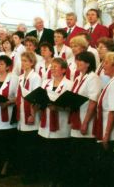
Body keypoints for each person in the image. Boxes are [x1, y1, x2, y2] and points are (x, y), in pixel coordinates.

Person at [67, 51, 102, 187]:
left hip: (85, 122)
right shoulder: (78, 78)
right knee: (76, 156)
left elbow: (93, 102)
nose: (77, 63)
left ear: (88, 63)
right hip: (76, 119)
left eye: (80, 60)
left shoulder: (93, 78)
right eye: (77, 60)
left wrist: (85, 122)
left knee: (84, 157)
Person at [94, 52, 114, 187]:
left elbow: (113, 111)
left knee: (106, 167)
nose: (103, 67)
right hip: (106, 130)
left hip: (110, 133)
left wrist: (106, 135)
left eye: (106, 63)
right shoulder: (113, 81)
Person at [38, 58, 73, 186]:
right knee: (48, 155)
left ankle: (59, 180)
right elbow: (40, 99)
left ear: (64, 70)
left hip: (61, 125)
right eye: (51, 67)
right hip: (46, 123)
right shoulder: (45, 83)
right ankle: (50, 179)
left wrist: (58, 107)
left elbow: (72, 106)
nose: (52, 69)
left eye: (55, 67)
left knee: (59, 155)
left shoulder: (69, 84)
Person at [15, 52, 42, 184]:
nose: (23, 63)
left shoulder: (35, 77)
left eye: (26, 61)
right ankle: (25, 173)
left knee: (31, 147)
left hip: (31, 115)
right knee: (24, 147)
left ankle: (32, 175)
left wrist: (32, 114)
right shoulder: (20, 77)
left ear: (32, 63)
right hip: (21, 114)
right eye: (22, 61)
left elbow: (35, 98)